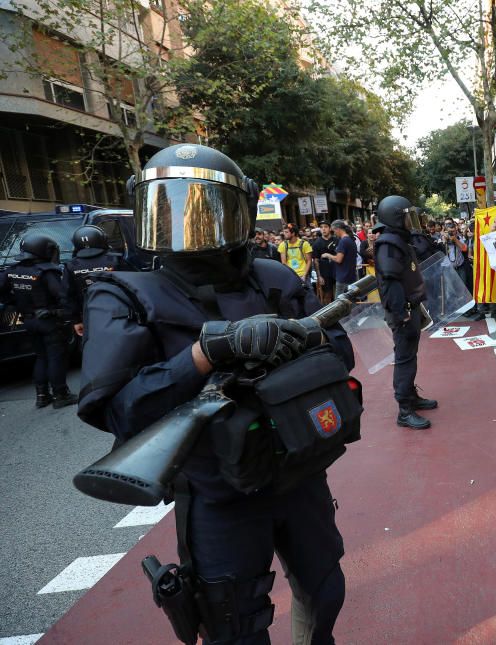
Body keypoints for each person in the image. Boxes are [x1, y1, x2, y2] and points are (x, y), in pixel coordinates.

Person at [76, 144, 355, 644]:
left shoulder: (274, 277)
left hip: (299, 472)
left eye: (206, 207)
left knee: (326, 590)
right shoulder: (124, 293)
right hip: (218, 491)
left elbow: (340, 354)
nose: (187, 223)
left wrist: (297, 341)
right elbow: (119, 409)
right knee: (235, 626)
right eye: (170, 206)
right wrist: (206, 354)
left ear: (241, 211)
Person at [373, 195, 437, 430]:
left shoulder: (397, 240)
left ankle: (411, 397)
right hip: (403, 313)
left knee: (410, 356)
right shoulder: (388, 244)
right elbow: (390, 284)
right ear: (396, 218)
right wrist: (401, 315)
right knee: (404, 360)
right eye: (407, 216)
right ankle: (404, 410)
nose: (411, 221)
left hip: (410, 309)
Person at [0, 233, 77, 409]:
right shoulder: (47, 271)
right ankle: (61, 394)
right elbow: (61, 294)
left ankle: (42, 396)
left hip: (28, 320)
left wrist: (13, 301)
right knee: (56, 357)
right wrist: (65, 312)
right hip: (49, 320)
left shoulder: (13, 270)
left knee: (41, 357)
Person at [62, 224, 131, 337]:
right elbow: (130, 286)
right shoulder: (115, 260)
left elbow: (67, 296)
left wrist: (75, 320)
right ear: (101, 239)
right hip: (118, 314)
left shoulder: (71, 266)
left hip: (89, 317)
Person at [328, 220, 359, 298]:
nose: (334, 233)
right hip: (351, 275)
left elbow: (339, 259)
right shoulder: (350, 240)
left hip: (343, 277)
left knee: (338, 305)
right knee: (351, 301)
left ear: (338, 229)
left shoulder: (343, 241)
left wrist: (328, 255)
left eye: (334, 230)